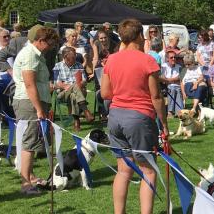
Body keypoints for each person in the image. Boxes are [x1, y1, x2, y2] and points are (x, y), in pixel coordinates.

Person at [100, 18, 168, 214]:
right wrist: (164, 124)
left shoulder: (112, 59)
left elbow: (105, 93)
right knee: (148, 170)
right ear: (140, 36)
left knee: (123, 170)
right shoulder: (148, 60)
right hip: (139, 118)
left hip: (115, 117)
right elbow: (156, 97)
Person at [12, 26, 60, 195]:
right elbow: (29, 84)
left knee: (32, 141)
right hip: (29, 103)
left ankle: (30, 176)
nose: (51, 47)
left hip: (34, 101)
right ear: (40, 41)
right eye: (50, 43)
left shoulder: (36, 55)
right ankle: (26, 184)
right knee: (29, 142)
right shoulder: (30, 55)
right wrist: (39, 109)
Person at [53, 47, 94, 131]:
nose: (74, 60)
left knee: (73, 95)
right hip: (63, 93)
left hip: (78, 91)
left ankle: (76, 120)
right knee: (74, 86)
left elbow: (85, 80)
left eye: (75, 57)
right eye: (72, 58)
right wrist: (65, 86)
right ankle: (85, 110)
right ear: (65, 57)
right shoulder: (57, 66)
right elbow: (56, 83)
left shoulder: (79, 65)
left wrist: (81, 83)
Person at [160, 49, 182, 118]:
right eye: (171, 57)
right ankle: (171, 111)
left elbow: (179, 78)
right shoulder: (164, 67)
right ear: (167, 59)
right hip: (166, 87)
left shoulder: (179, 67)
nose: (173, 59)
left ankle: (178, 112)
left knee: (177, 90)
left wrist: (169, 80)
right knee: (172, 89)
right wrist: (173, 80)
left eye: (175, 57)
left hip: (177, 86)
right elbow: (163, 79)